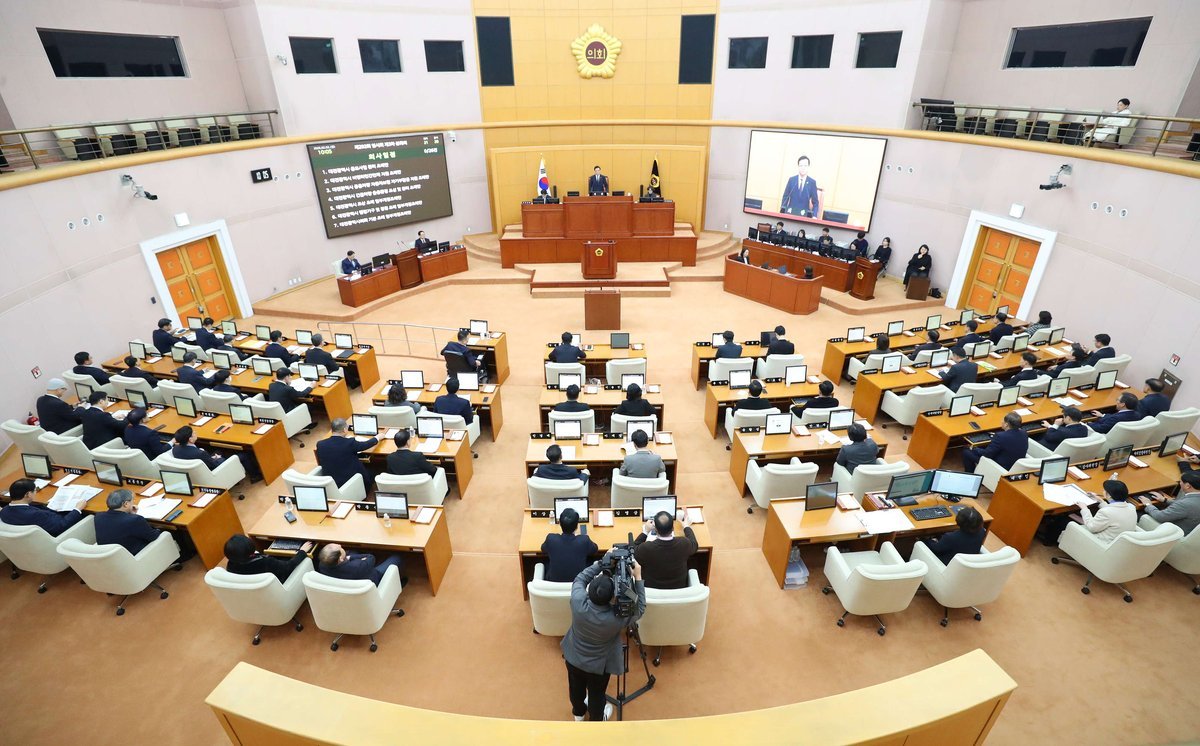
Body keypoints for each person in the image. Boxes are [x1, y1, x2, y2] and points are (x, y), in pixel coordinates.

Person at [561, 557, 645, 722]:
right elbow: (640, 607)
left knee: (575, 688)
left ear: (589, 591)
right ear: (612, 597)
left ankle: (578, 714)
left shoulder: (578, 602)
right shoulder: (617, 618)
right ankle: (597, 719)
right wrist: (638, 577)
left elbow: (580, 578)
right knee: (597, 694)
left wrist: (601, 563)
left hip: (573, 657)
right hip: (598, 666)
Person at [633, 510, 698, 590]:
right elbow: (694, 544)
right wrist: (686, 526)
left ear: (655, 530)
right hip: (679, 591)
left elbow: (632, 550)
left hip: (653, 592)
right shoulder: (684, 543)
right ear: (673, 528)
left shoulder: (646, 548)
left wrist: (645, 531)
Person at [0, 478, 88, 535]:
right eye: (34, 491)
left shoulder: (4, 511)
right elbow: (61, 526)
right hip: (62, 532)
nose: (35, 492)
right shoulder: (35, 514)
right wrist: (77, 509)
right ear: (28, 494)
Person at [315, 418, 378, 492]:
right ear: (344, 430)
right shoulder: (350, 443)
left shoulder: (320, 444)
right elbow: (365, 445)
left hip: (331, 484)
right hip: (351, 483)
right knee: (375, 472)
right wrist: (377, 438)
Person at [94, 489, 162, 555]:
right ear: (126, 504)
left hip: (109, 556)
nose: (133, 503)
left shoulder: (98, 516)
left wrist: (130, 515)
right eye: (132, 500)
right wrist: (160, 529)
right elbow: (154, 536)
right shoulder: (135, 520)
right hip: (136, 556)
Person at [223, 534, 313, 583]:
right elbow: (288, 567)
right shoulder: (266, 563)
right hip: (281, 583)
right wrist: (302, 551)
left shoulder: (231, 565)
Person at [541, 508, 597, 583]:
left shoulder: (551, 539)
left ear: (560, 524)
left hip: (553, 583)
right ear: (577, 526)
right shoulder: (584, 540)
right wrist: (582, 537)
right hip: (579, 583)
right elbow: (595, 549)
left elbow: (543, 549)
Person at [1073, 479, 1136, 543]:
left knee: (1070, 523)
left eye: (1104, 490)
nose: (1103, 491)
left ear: (1110, 495)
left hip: (1101, 543)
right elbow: (1115, 511)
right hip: (1120, 541)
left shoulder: (1106, 512)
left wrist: (1084, 508)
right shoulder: (1131, 507)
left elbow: (1091, 527)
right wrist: (1100, 500)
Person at [962, 412, 1028, 473]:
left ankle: (970, 474)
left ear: (1006, 425)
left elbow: (987, 454)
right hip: (1015, 466)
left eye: (1003, 420)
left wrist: (974, 448)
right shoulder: (1024, 433)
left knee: (966, 452)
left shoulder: (1001, 436)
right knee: (984, 447)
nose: (1001, 422)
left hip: (999, 466)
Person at [317, 543, 405, 587]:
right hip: (374, 579)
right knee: (397, 557)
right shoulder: (358, 566)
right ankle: (395, 585)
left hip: (347, 584)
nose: (340, 545)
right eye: (340, 548)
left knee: (354, 551)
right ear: (340, 558)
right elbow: (370, 557)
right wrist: (351, 557)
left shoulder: (322, 565)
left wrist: (348, 558)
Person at [1145, 470, 1200, 536]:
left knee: (1140, 513)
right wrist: (1165, 500)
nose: (1180, 483)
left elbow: (1159, 517)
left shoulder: (1185, 504)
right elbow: (1184, 505)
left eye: (1180, 481)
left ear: (1188, 486)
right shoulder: (1192, 499)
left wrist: (1148, 504)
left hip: (1174, 534)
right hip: (1191, 531)